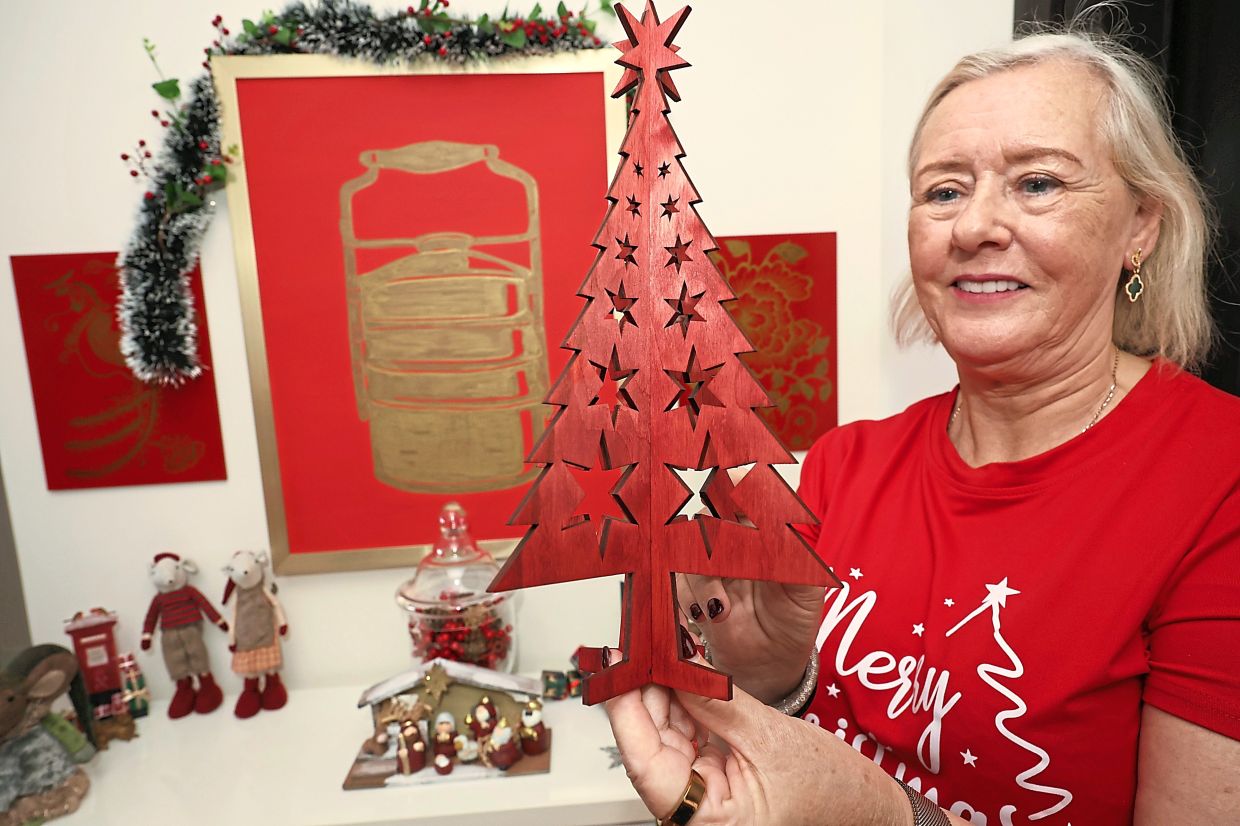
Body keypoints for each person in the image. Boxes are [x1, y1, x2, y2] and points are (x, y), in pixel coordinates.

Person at [604, 27, 1240, 826]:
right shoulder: (845, 465)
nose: (973, 227)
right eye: (943, 191)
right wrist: (772, 679)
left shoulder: (1220, 484)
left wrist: (886, 817)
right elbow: (795, 750)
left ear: (1140, 225)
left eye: (1037, 182)